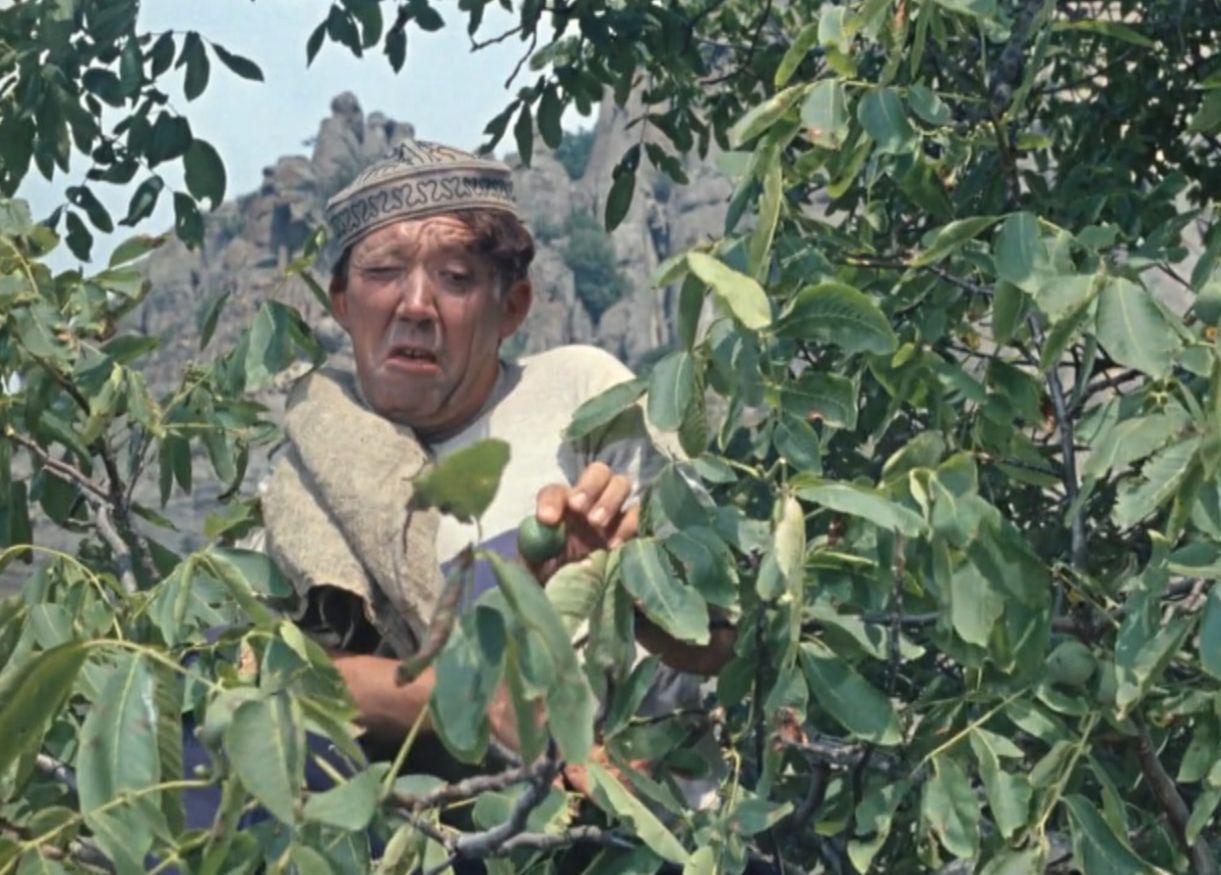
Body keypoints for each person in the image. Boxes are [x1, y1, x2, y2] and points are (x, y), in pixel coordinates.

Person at [255, 138, 733, 768]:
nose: (415, 305)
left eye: (456, 278)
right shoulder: (311, 463)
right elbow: (272, 669)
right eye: (383, 272)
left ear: (511, 308)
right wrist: (472, 698)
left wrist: (625, 580)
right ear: (342, 303)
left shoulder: (580, 392)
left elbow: (719, 637)